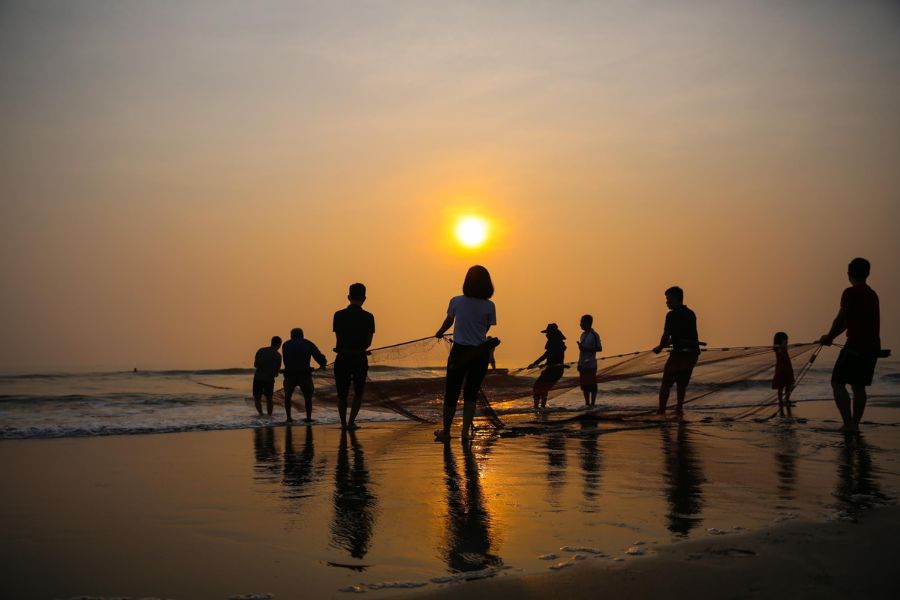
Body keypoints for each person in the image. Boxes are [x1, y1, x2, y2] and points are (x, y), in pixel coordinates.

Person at [819, 257, 885, 432]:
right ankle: (855, 424)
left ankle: (848, 423)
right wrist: (831, 337)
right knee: (858, 387)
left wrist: (829, 336)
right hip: (872, 348)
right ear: (867, 273)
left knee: (837, 382)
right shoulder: (872, 295)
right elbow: (848, 322)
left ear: (849, 274)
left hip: (855, 346)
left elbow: (840, 319)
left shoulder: (850, 293)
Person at [434, 265, 498, 442]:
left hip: (460, 352)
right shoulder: (490, 305)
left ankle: (446, 432)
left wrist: (439, 332)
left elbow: (449, 321)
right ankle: (464, 433)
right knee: (471, 393)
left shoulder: (456, 301)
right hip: (480, 353)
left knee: (452, 392)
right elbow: (486, 328)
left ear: (467, 282)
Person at [653, 286, 701, 417]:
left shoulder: (671, 315)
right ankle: (679, 409)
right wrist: (664, 345)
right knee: (681, 384)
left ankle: (661, 411)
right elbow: (678, 337)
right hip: (692, 353)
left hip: (680, 354)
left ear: (675, 298)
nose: (666, 302)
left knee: (666, 383)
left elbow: (666, 335)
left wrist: (660, 347)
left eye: (668, 299)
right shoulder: (690, 313)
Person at [333, 283, 376, 430]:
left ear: (348, 297)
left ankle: (343, 423)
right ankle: (351, 422)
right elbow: (368, 342)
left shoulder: (338, 315)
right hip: (359, 358)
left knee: (342, 394)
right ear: (364, 298)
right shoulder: (369, 317)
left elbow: (339, 339)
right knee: (358, 392)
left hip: (342, 358)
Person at [282, 328, 327, 423]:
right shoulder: (308, 343)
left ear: (291, 335)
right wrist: (323, 363)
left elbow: (285, 360)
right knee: (308, 397)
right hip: (304, 374)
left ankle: (288, 418)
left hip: (290, 374)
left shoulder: (286, 344)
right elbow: (318, 356)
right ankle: (308, 417)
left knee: (287, 396)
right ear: (302, 335)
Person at [529, 323, 567, 410]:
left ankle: (537, 407)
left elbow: (553, 357)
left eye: (548, 333)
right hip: (554, 370)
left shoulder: (556, 343)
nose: (547, 335)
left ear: (552, 333)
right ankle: (542, 407)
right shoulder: (556, 342)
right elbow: (547, 355)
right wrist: (535, 363)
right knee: (543, 387)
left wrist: (543, 364)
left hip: (554, 370)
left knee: (538, 386)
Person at [252, 336, 283, 416]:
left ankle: (261, 415)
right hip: (269, 379)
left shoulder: (261, 350)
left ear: (271, 342)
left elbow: (255, 365)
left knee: (257, 398)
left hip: (258, 378)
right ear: (279, 344)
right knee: (269, 399)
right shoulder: (278, 355)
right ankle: (269, 417)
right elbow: (276, 373)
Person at [577, 314, 602, 407]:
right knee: (584, 386)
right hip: (582, 364)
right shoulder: (583, 335)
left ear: (587, 323)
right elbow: (582, 350)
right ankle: (587, 404)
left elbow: (599, 348)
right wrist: (579, 363)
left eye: (582, 322)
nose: (580, 324)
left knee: (592, 385)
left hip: (591, 364)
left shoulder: (594, 335)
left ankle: (593, 404)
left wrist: (585, 348)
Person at [772, 331, 795, 413]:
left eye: (787, 340)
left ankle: (787, 399)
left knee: (789, 384)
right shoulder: (778, 347)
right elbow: (779, 351)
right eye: (785, 339)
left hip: (788, 367)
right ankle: (780, 401)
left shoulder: (784, 347)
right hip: (781, 368)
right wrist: (782, 346)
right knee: (781, 385)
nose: (787, 341)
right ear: (780, 340)